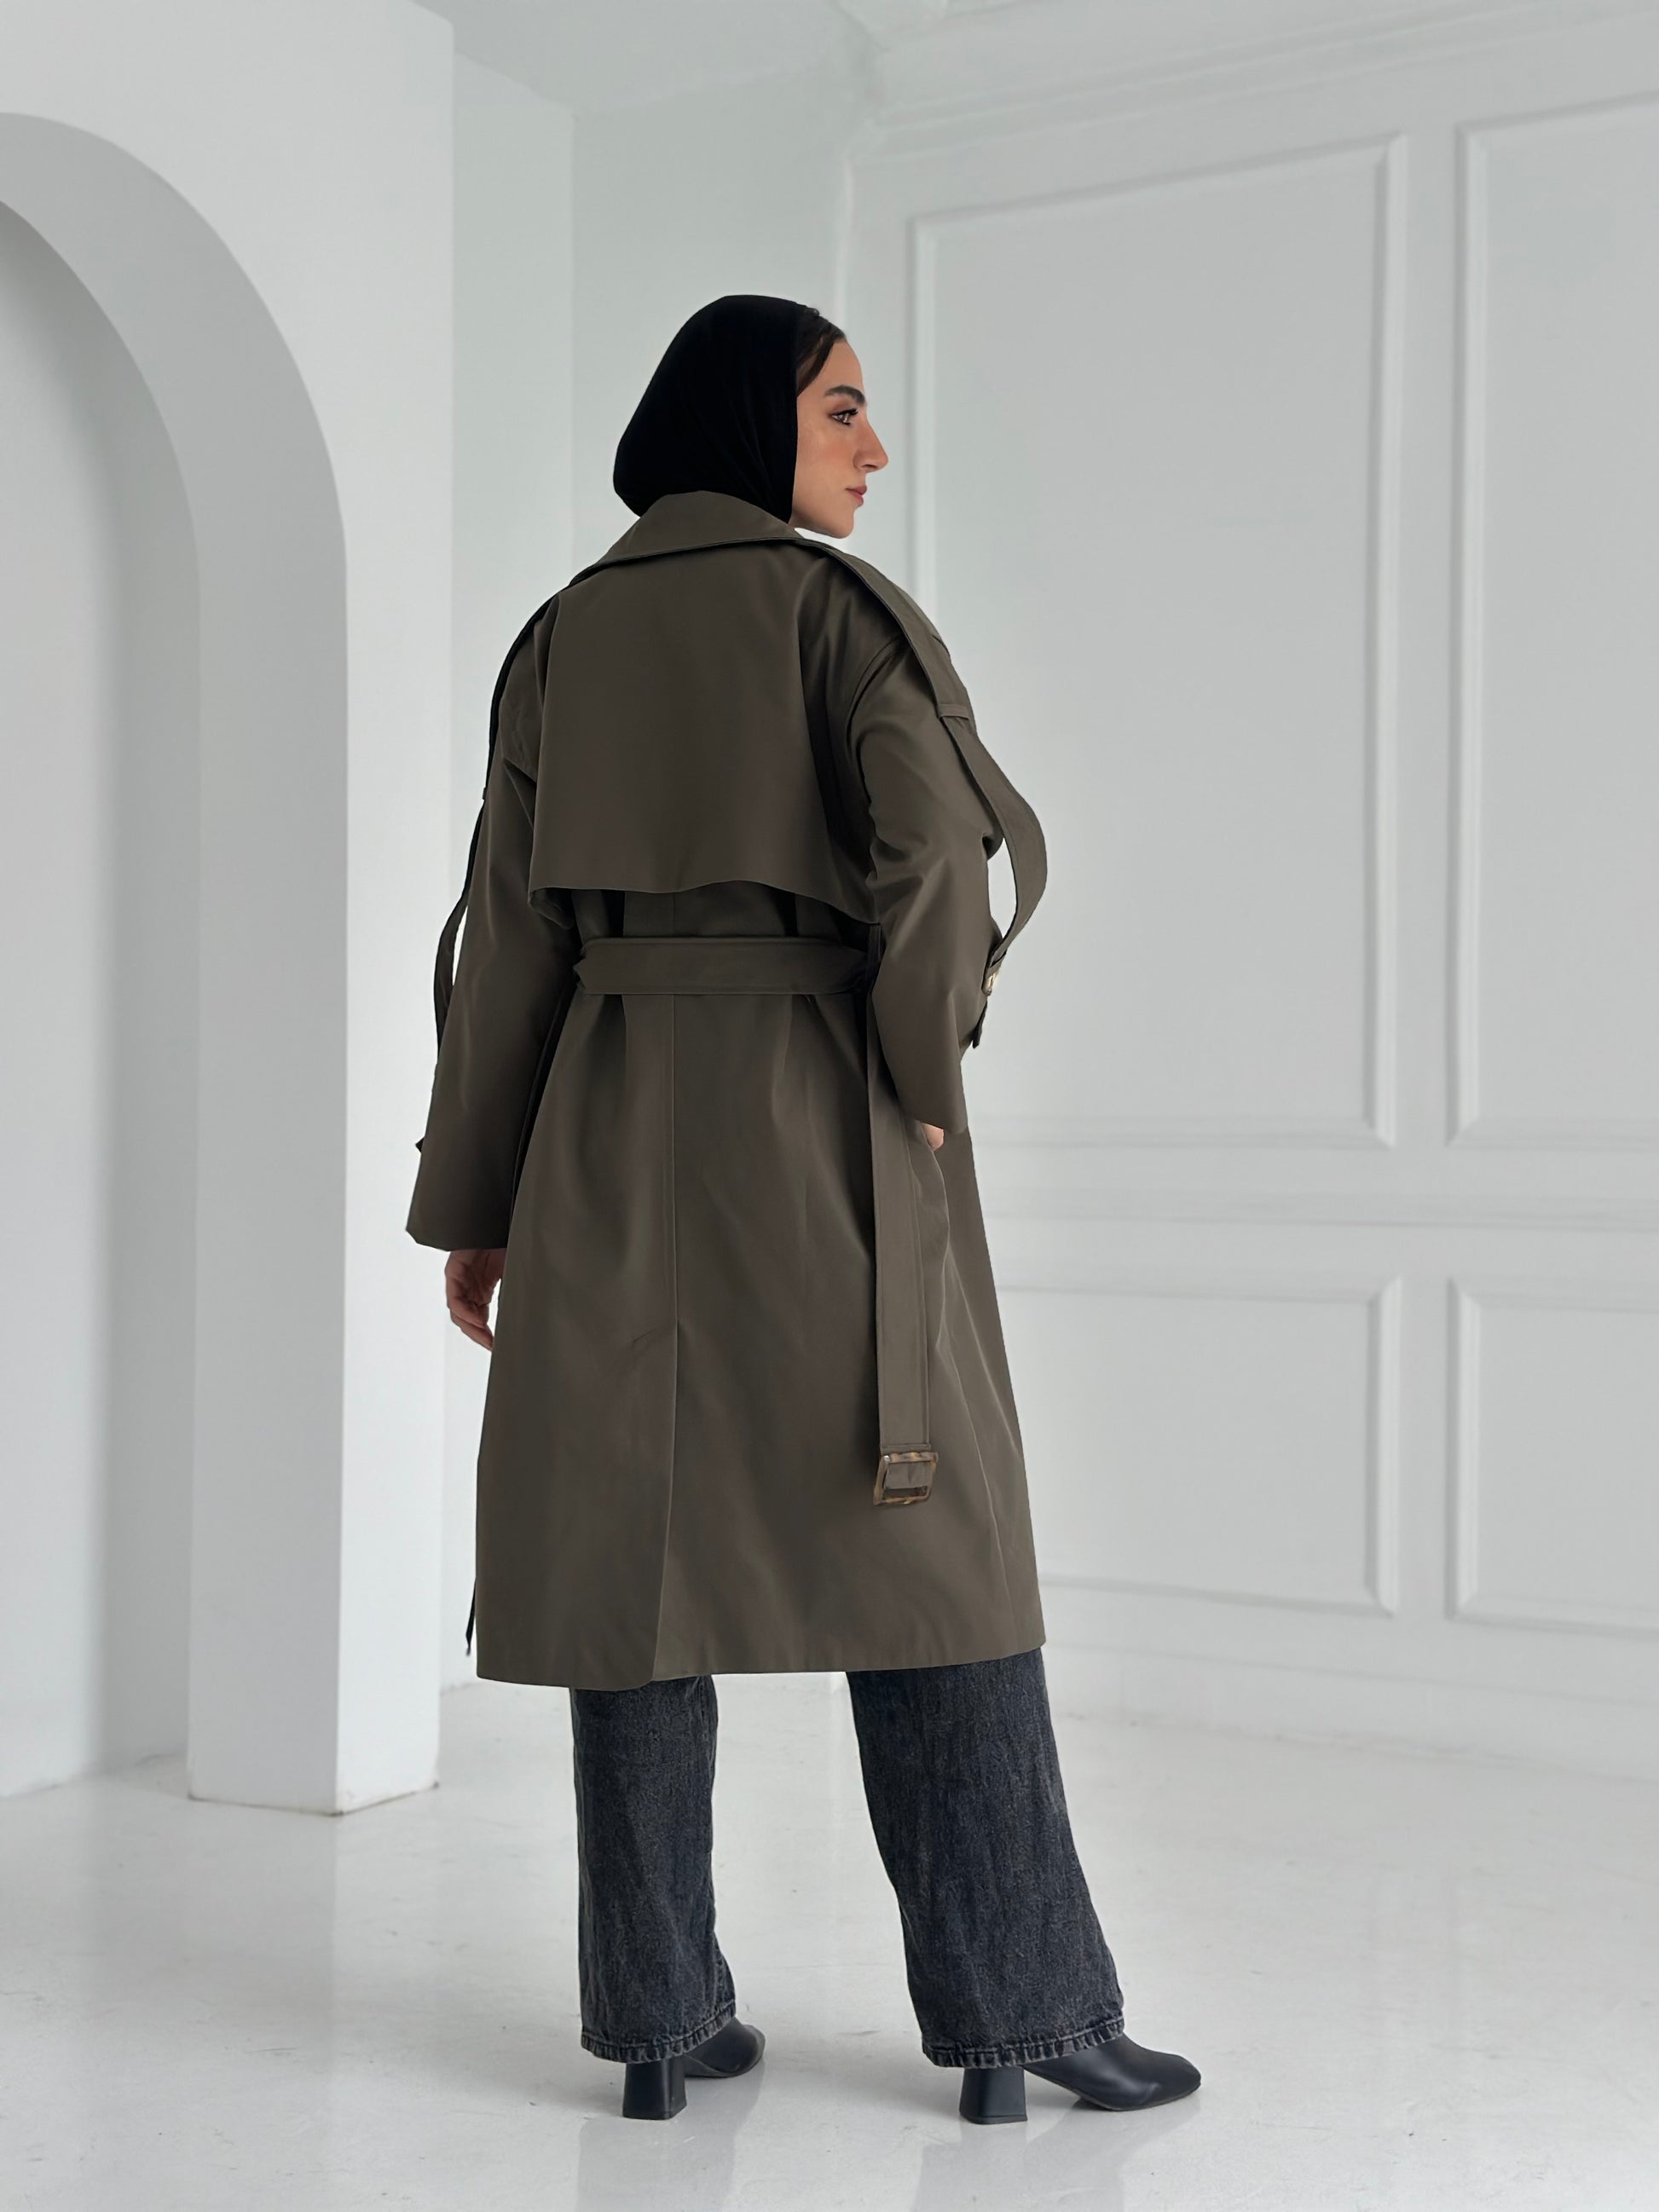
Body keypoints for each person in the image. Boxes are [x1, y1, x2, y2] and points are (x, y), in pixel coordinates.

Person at [405, 292, 1199, 2126]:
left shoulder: (559, 638)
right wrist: (920, 1066)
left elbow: (508, 941)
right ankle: (1018, 2012)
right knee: (933, 1552)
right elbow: (937, 859)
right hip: (821, 1120)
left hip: (606, 1126)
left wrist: (484, 1201)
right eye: (841, 409)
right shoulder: (843, 617)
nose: (872, 447)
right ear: (744, 420)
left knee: (632, 1558)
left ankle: (656, 2019)